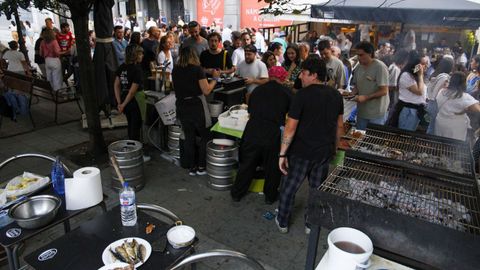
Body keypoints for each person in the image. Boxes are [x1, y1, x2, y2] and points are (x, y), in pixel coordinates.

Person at [276, 55, 344, 233]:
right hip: (323, 153)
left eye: (303, 73)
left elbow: (290, 127)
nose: (300, 77)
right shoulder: (336, 95)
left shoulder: (302, 96)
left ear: (314, 75)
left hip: (300, 152)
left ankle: (282, 221)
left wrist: (282, 154)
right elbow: (339, 126)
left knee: (289, 188)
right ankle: (310, 224)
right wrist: (334, 148)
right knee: (316, 191)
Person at [231, 66, 292, 204]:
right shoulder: (287, 93)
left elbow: (250, 110)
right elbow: (292, 115)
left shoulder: (257, 90)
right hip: (273, 134)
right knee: (272, 168)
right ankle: (270, 197)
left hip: (253, 131)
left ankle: (237, 193)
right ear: (283, 78)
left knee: (247, 164)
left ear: (270, 76)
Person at [172, 46, 219, 176]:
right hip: (196, 105)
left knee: (189, 136)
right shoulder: (197, 69)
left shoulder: (175, 70)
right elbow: (206, 90)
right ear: (194, 55)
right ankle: (201, 167)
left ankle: (192, 167)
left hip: (181, 105)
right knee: (205, 135)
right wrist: (215, 79)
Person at [351, 42, 389, 130]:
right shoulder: (358, 67)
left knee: (374, 139)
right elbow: (357, 86)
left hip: (376, 113)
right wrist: (351, 94)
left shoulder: (380, 67)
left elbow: (384, 91)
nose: (359, 58)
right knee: (359, 137)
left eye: (361, 55)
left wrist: (366, 97)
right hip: (362, 111)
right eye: (357, 55)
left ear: (370, 54)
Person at [434, 72, 480, 141]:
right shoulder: (463, 97)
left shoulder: (441, 92)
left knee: (439, 143)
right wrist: (466, 109)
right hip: (455, 127)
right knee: (452, 147)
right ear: (463, 83)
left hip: (440, 122)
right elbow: (478, 109)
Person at [114, 45, 144, 142]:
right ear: (135, 55)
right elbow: (132, 92)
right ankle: (135, 152)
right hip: (135, 101)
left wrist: (119, 102)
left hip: (123, 98)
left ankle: (131, 149)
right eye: (140, 53)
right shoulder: (137, 69)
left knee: (130, 124)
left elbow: (116, 85)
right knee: (135, 126)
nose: (142, 55)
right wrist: (123, 104)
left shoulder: (122, 67)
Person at [391, 51, 427, 131]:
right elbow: (419, 91)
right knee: (405, 134)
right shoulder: (406, 75)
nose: (425, 66)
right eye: (423, 64)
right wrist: (420, 75)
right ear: (415, 64)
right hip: (408, 110)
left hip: (416, 110)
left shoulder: (415, 75)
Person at [426, 57, 454, 134]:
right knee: (433, 128)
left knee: (431, 126)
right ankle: (429, 143)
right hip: (436, 104)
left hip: (430, 102)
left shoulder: (436, 74)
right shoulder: (445, 78)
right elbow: (441, 93)